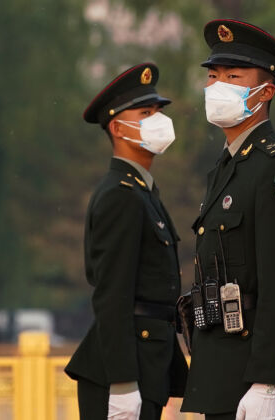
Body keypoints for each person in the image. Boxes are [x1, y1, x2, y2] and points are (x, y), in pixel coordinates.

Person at [180, 19, 275, 420]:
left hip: (254, 379)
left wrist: (266, 382)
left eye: (233, 76)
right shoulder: (229, 166)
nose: (217, 85)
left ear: (265, 91)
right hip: (223, 372)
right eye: (212, 75)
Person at [65, 63, 188, 420]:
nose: (158, 120)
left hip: (146, 359)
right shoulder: (122, 196)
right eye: (146, 113)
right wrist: (122, 383)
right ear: (117, 128)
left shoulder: (142, 191)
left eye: (159, 112)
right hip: (125, 368)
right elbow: (113, 293)